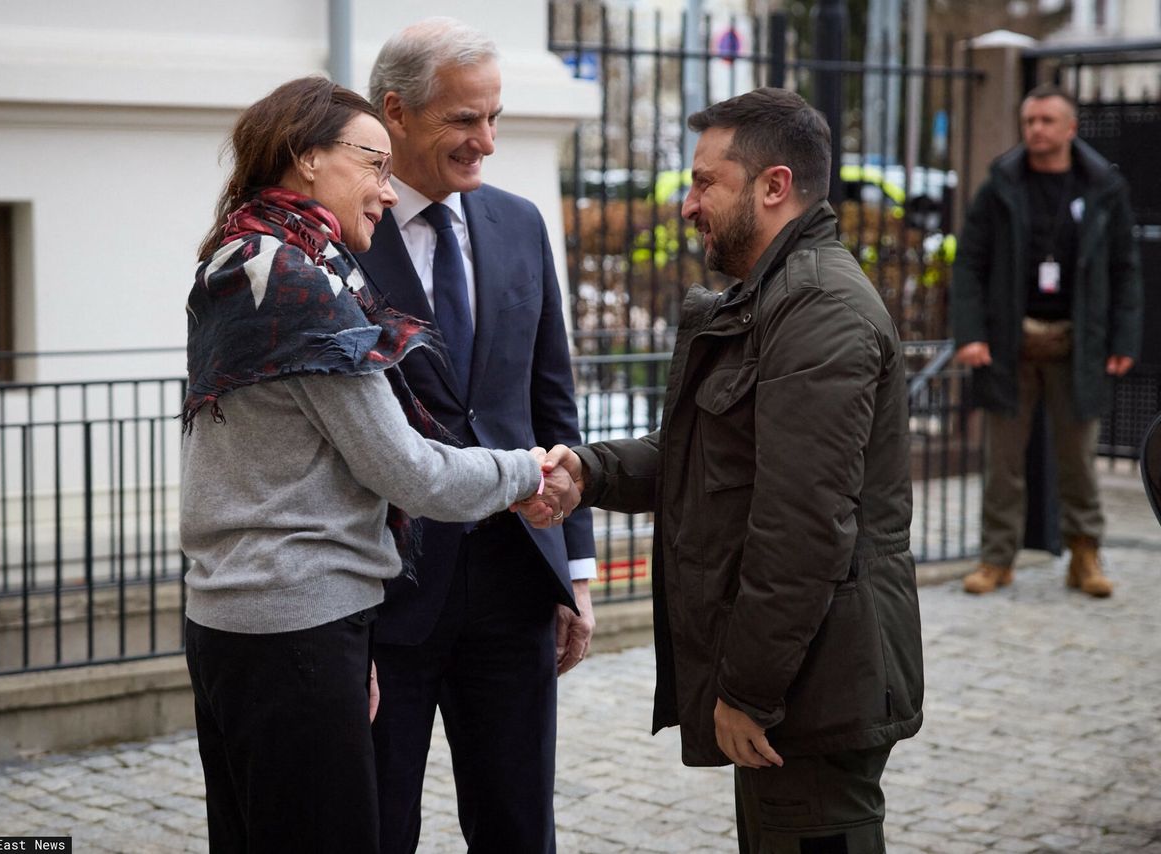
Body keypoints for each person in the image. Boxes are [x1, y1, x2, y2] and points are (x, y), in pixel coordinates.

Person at [178, 76, 576, 853]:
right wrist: (531, 473)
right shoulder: (301, 288)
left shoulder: (237, 256)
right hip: (295, 624)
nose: (389, 193)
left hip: (236, 618)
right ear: (306, 157)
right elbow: (412, 474)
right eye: (374, 166)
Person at [539, 88, 924, 853]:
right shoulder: (774, 296)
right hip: (799, 684)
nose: (688, 204)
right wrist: (589, 472)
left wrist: (747, 691)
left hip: (814, 689)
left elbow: (801, 528)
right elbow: (708, 459)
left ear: (773, 186)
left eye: (705, 181)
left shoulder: (817, 306)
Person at [356, 18, 597, 854]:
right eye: (465, 120)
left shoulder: (520, 224)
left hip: (513, 588)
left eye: (494, 117)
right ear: (396, 112)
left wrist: (574, 570)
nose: (486, 142)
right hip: (387, 597)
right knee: (381, 826)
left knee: (518, 826)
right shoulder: (342, 237)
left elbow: (551, 405)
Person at [951, 83, 1143, 597]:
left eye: (1046, 121)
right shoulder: (1001, 184)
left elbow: (1126, 268)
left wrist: (1123, 338)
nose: (1035, 129)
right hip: (1009, 342)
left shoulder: (1103, 186)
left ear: (1070, 128)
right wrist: (970, 333)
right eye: (1029, 120)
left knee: (1078, 458)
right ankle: (997, 559)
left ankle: (1085, 557)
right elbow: (969, 262)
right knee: (1003, 462)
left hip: (1079, 344)